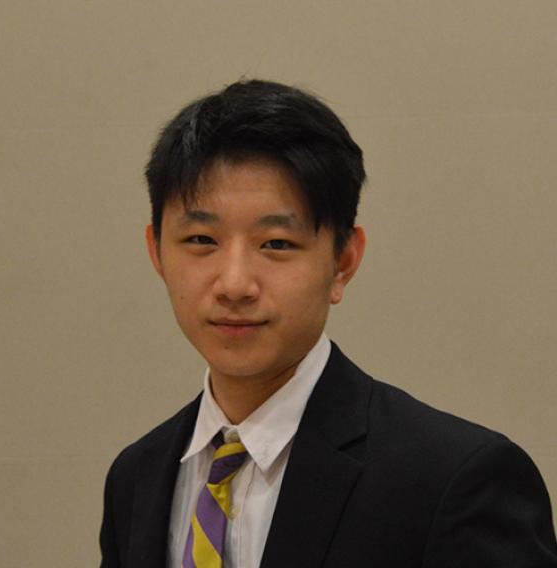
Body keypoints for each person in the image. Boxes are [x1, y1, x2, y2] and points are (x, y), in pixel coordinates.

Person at [99, 79, 557, 567]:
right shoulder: (136, 477)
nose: (234, 284)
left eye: (276, 244)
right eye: (200, 241)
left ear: (343, 261)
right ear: (156, 252)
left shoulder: (455, 478)